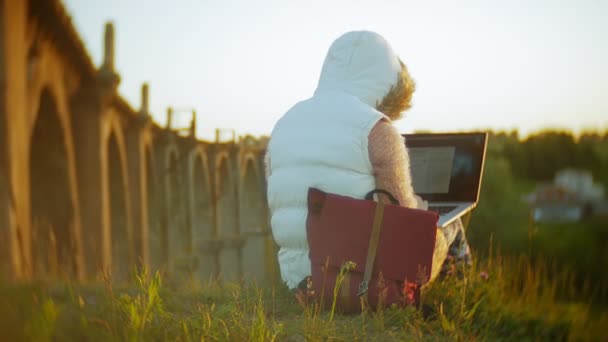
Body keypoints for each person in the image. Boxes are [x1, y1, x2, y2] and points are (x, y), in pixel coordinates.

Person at [265, 31, 471, 290]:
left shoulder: (284, 124)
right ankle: (463, 299)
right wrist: (424, 209)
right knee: (451, 226)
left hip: (296, 281)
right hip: (362, 283)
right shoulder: (376, 129)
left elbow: (279, 203)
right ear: (386, 82)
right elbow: (402, 220)